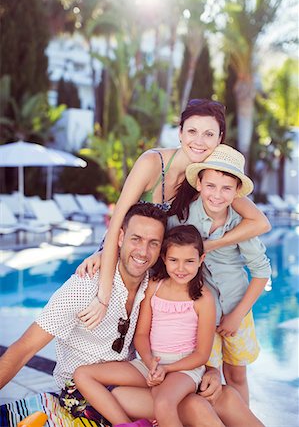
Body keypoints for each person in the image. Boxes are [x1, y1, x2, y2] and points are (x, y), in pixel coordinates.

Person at [0, 202, 264, 427]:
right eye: (135, 239)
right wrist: (102, 253)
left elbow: (183, 330)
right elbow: (22, 349)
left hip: (140, 378)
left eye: (153, 243)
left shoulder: (154, 282)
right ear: (120, 238)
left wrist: (210, 369)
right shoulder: (84, 287)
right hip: (90, 391)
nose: (142, 252)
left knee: (224, 395)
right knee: (197, 406)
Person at [76, 99, 271, 329]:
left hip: (155, 270)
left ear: (219, 139)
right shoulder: (152, 163)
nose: (199, 141)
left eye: (209, 134)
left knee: (133, 339)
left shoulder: (207, 179)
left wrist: (210, 245)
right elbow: (117, 221)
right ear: (180, 133)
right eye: (192, 131)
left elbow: (260, 223)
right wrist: (103, 290)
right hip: (122, 256)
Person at [74, 225, 216, 427]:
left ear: (201, 260)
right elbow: (141, 335)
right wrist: (151, 364)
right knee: (83, 374)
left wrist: (166, 369)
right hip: (149, 364)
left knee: (164, 404)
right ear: (164, 258)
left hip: (184, 368)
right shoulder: (154, 286)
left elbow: (201, 355)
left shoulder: (204, 299)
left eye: (189, 261)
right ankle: (126, 425)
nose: (181, 268)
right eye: (174, 260)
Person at [168, 144, 272, 405]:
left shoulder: (239, 223)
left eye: (226, 188)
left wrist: (237, 316)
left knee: (237, 375)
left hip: (239, 308)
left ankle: (241, 418)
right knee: (207, 378)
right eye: (211, 186)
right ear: (199, 184)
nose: (217, 195)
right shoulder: (182, 218)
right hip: (202, 314)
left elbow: (261, 271)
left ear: (237, 192)